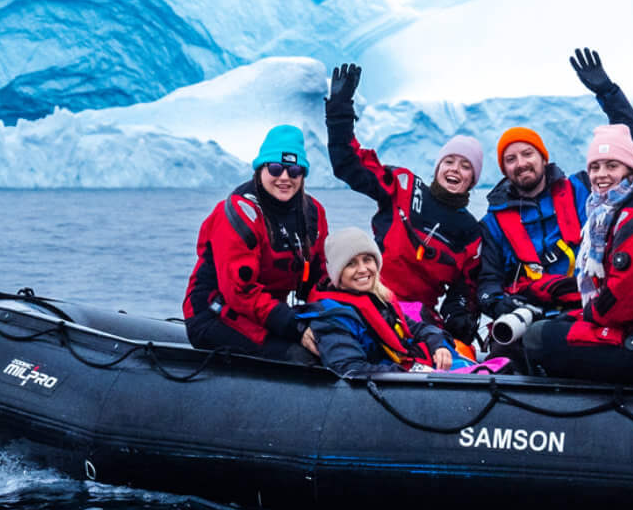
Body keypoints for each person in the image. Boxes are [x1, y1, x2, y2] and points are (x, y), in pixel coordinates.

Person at [518, 124, 633, 385]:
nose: (601, 175)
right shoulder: (612, 212)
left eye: (611, 166)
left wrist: (587, 314)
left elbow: (623, 300)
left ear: (630, 170)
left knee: (539, 337)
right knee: (557, 323)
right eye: (595, 167)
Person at [476, 49, 633, 320]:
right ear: (504, 169)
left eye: (527, 154)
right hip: (528, 314)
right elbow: (488, 281)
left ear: (543, 158)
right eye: (510, 159)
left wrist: (608, 92)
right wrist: (500, 306)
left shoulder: (584, 189)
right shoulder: (493, 223)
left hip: (592, 306)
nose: (520, 163)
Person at [322, 63, 485, 343]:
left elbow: (466, 288)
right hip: (365, 290)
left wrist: (459, 315)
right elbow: (349, 166)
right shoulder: (404, 185)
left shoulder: (470, 231)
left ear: (473, 179)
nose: (455, 170)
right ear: (437, 167)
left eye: (465, 166)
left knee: (438, 345)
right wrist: (339, 112)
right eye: (449, 161)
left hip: (414, 311)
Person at [183, 123, 327, 360]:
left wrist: (326, 318)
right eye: (275, 168)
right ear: (261, 169)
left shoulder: (313, 213)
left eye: (294, 171)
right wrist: (295, 328)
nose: (284, 177)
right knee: (301, 359)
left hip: (268, 315)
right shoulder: (239, 214)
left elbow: (320, 276)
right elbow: (240, 293)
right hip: (217, 314)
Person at [304, 227, 462, 377]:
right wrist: (409, 373)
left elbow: (417, 328)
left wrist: (438, 345)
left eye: (367, 260)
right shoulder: (330, 317)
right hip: (381, 387)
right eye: (351, 264)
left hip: (402, 372)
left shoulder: (379, 301)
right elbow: (349, 368)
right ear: (337, 272)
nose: (362, 269)